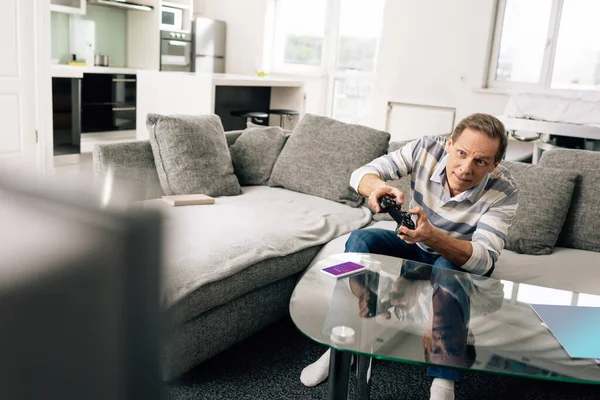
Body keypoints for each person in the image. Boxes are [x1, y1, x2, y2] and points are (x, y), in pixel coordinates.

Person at [300, 113, 519, 400]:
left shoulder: (505, 190)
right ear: (450, 144)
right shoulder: (425, 149)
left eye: (480, 161)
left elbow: (484, 259)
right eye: (462, 153)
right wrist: (376, 187)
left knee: (447, 269)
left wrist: (433, 237)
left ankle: (444, 382)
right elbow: (359, 175)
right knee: (361, 239)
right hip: (414, 242)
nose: (465, 168)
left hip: (455, 255)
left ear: (495, 164)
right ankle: (342, 346)